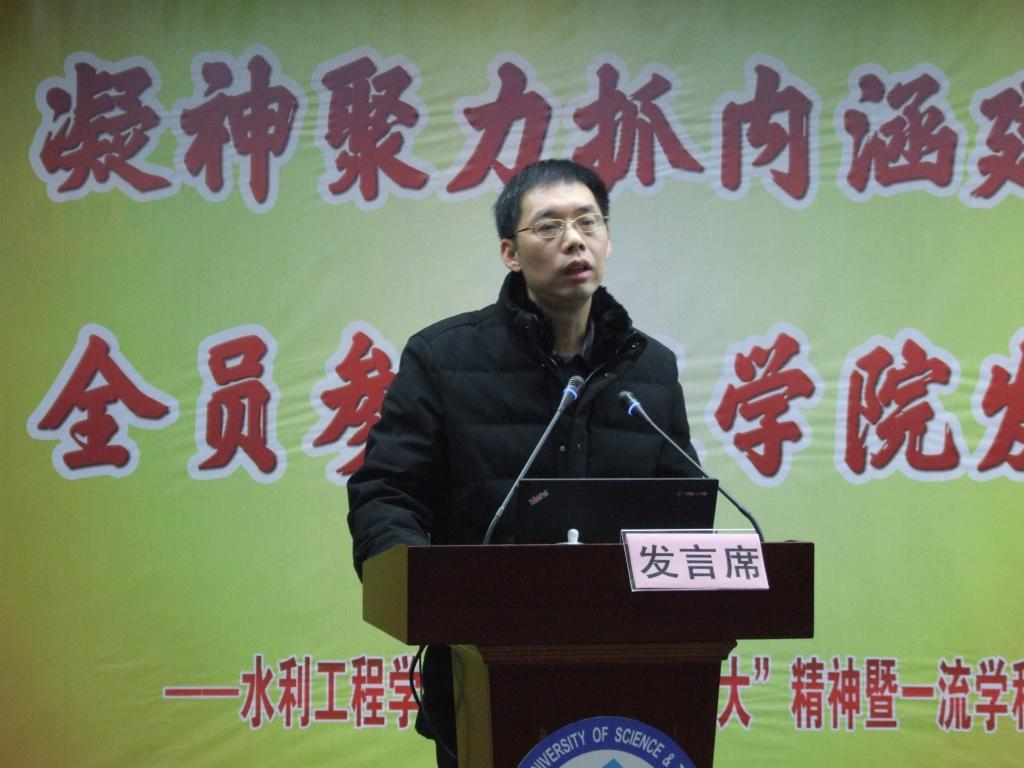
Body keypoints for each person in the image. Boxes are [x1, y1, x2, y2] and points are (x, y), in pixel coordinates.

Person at [347, 158, 701, 767]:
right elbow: (386, 492)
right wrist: (425, 583)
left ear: (608, 239)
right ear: (510, 252)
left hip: (629, 673)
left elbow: (682, 507)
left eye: (588, 222)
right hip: (483, 671)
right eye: (549, 226)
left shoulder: (650, 368)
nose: (574, 240)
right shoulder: (442, 358)